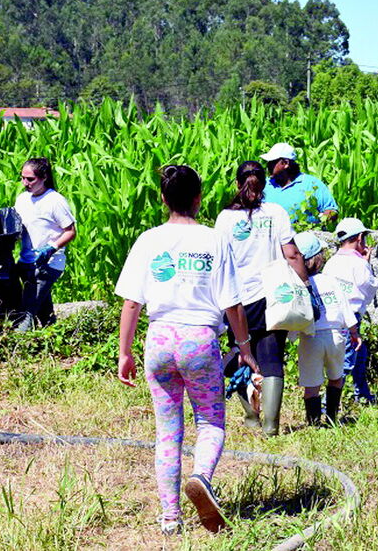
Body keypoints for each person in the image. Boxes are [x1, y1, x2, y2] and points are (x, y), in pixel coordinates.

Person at [115, 165, 258, 535]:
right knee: (210, 421)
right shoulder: (215, 240)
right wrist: (245, 349)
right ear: (199, 198)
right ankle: (201, 478)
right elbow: (233, 305)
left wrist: (124, 353)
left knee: (167, 431)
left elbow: (131, 303)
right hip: (199, 339)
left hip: (159, 338)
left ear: (163, 199)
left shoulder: (148, 240)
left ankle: (170, 519)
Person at [214, 161, 309, 436]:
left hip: (237, 299)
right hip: (272, 296)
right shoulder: (276, 212)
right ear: (264, 183)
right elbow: (292, 254)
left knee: (242, 355)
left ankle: (251, 417)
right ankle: (271, 425)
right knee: (272, 358)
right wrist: (305, 286)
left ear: (237, 183)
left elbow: (219, 260)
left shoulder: (225, 218)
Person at [293, 231, 359, 425]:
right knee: (336, 377)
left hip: (310, 339)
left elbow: (295, 314)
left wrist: (291, 336)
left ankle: (313, 422)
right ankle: (331, 418)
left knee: (311, 386)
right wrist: (354, 332)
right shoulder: (330, 280)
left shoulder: (299, 285)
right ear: (319, 258)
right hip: (335, 336)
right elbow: (345, 308)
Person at [14, 158, 76, 332]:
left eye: (30, 179)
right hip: (26, 261)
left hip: (48, 264)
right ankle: (54, 335)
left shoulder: (55, 201)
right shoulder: (22, 199)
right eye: (23, 178)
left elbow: (70, 231)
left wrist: (51, 248)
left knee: (27, 311)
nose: (25, 183)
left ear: (44, 177)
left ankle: (17, 341)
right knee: (43, 310)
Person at [324, 217, 378, 403]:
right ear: (360, 237)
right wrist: (367, 263)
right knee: (346, 361)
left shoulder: (332, 262)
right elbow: (369, 288)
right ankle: (326, 405)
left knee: (359, 353)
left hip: (332, 315)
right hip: (351, 317)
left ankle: (362, 393)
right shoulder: (359, 264)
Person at [260, 142, 338, 225]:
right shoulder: (264, 185)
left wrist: (318, 223)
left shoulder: (311, 184)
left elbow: (332, 211)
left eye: (272, 162)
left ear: (286, 163)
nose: (268, 166)